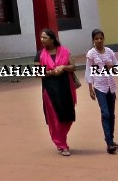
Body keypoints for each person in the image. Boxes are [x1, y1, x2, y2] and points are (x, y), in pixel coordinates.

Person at [38, 28, 76, 156]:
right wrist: (51, 72)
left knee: (68, 116)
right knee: (54, 117)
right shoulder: (39, 54)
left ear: (52, 39)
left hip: (65, 87)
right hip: (49, 89)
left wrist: (63, 67)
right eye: (41, 37)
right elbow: (37, 73)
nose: (42, 40)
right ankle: (61, 144)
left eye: (45, 37)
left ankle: (61, 137)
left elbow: (73, 66)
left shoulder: (64, 51)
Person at [84, 28, 118, 154]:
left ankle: (112, 139)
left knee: (112, 114)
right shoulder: (91, 54)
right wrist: (90, 89)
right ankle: (108, 142)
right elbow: (88, 71)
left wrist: (113, 67)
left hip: (110, 85)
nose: (99, 41)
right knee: (105, 113)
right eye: (96, 39)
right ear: (93, 40)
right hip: (99, 86)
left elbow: (117, 66)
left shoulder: (109, 52)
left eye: (101, 38)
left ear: (104, 39)